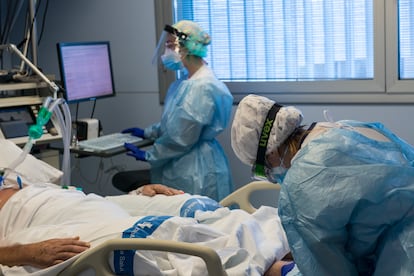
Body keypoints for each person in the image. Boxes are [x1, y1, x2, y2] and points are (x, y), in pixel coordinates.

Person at [231, 94, 414, 275]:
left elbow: (330, 269)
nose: (272, 175)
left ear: (270, 154)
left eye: (264, 171)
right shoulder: (343, 128)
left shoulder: (301, 184)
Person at [0, 174, 290, 276]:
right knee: (151, 239)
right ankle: (276, 269)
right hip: (21, 229)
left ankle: (290, 247)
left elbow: (75, 193)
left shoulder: (15, 175)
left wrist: (134, 196)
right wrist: (26, 253)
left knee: (196, 207)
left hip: (67, 202)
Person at [114, 20, 234, 201]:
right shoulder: (185, 83)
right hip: (185, 163)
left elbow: (182, 138)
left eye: (171, 45)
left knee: (196, 222)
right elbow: (174, 124)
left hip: (194, 169)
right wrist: (148, 132)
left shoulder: (201, 87)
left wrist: (149, 155)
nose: (167, 50)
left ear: (188, 47)